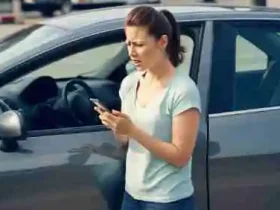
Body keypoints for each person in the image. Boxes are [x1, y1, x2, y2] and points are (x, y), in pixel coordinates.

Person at [94, 5, 201, 210]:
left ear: (162, 42)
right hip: (132, 195)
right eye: (128, 44)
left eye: (140, 45)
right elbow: (127, 141)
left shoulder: (182, 90)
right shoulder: (130, 84)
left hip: (168, 200)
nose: (132, 52)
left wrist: (133, 130)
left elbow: (180, 156)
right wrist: (118, 127)